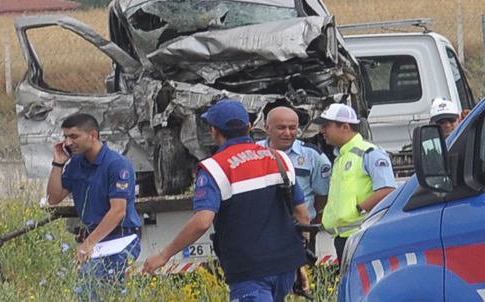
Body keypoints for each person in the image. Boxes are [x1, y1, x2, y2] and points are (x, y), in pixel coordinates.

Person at [142, 99, 310, 302]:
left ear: (214, 131)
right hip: (285, 266)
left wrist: (164, 255)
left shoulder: (215, 168)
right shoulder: (280, 159)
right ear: (249, 127)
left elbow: (202, 221)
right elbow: (302, 215)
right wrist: (299, 262)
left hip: (249, 270)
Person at [46, 113, 142, 301]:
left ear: (93, 135)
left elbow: (118, 211)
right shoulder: (76, 163)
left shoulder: (116, 164)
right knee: (87, 291)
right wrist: (58, 163)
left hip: (120, 237)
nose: (68, 142)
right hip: (95, 240)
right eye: (65, 137)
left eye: (74, 136)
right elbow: (53, 198)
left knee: (100, 290)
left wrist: (89, 244)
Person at [315, 103, 396, 263]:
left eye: (326, 126)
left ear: (345, 127)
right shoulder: (342, 156)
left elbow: (387, 190)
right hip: (344, 238)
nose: (322, 131)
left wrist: (359, 210)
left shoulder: (369, 153)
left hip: (362, 236)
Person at [257, 106, 332, 223]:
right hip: (264, 226)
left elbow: (322, 195)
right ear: (267, 128)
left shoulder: (313, 155)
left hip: (301, 226)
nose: (287, 133)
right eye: (281, 128)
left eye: (292, 128)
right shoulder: (253, 153)